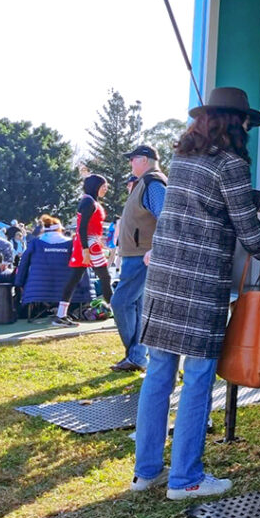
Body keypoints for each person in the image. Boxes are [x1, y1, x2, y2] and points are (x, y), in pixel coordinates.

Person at [131, 87, 260, 500]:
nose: (249, 129)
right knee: (196, 378)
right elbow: (248, 232)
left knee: (158, 374)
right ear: (236, 123)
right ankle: (185, 479)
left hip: (164, 283)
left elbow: (226, 199)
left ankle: (147, 471)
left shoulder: (184, 159)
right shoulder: (230, 164)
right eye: (246, 122)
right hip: (198, 287)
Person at [109, 146, 166, 372]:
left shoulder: (153, 183)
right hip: (139, 254)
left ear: (143, 160)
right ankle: (137, 355)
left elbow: (165, 216)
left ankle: (136, 355)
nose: (130, 163)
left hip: (143, 255)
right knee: (137, 307)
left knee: (120, 302)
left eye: (132, 159)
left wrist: (156, 248)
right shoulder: (148, 182)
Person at [54, 174, 112, 327]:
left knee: (75, 278)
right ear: (95, 186)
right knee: (104, 277)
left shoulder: (91, 201)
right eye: (103, 185)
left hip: (90, 243)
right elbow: (82, 227)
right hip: (88, 245)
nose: (106, 188)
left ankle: (61, 315)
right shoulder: (88, 201)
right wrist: (86, 249)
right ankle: (116, 312)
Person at [14, 215, 93, 310]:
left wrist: (19, 283)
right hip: (71, 293)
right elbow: (83, 267)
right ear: (60, 229)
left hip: (37, 292)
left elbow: (23, 265)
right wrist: (88, 290)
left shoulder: (35, 243)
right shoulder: (72, 244)